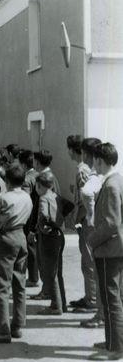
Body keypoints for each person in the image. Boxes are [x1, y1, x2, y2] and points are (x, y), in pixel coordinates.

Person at [0, 164, 33, 343]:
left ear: (7, 180)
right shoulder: (27, 197)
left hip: (5, 238)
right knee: (19, 283)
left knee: (1, 286)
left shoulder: (3, 198)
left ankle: (2, 330)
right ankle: (18, 325)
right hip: (21, 236)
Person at [88, 143, 123, 360]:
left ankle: (116, 348)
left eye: (95, 160)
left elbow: (111, 222)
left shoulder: (110, 185)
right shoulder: (117, 180)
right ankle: (113, 340)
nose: (93, 164)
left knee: (111, 298)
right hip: (116, 247)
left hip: (108, 249)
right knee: (116, 296)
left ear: (101, 161)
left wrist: (91, 240)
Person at [77, 138, 105, 327]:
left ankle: (100, 312)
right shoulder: (110, 175)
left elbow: (86, 194)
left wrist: (91, 216)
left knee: (96, 268)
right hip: (108, 229)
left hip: (98, 229)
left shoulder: (95, 176)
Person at [67, 135, 95, 313]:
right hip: (84, 220)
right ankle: (89, 296)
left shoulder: (82, 170)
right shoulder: (83, 169)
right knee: (87, 260)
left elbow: (87, 199)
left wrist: (77, 219)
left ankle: (92, 299)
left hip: (86, 220)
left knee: (88, 260)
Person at [35, 171, 67, 315]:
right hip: (59, 236)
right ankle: (62, 303)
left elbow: (43, 215)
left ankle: (56, 306)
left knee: (50, 272)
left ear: (40, 185)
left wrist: (42, 228)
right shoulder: (56, 196)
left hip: (49, 237)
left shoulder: (43, 198)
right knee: (57, 272)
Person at [20, 150, 39, 287]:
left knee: (30, 247)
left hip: (29, 216)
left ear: (22, 164)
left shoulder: (27, 179)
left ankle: (33, 277)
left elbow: (25, 200)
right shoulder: (38, 175)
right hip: (37, 214)